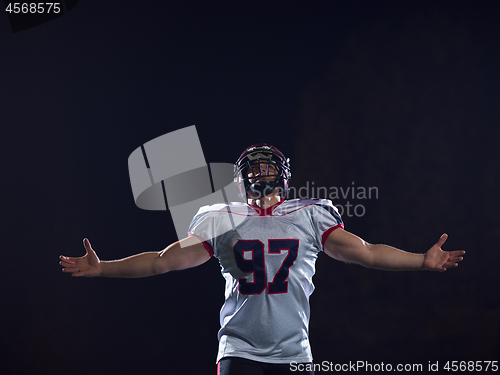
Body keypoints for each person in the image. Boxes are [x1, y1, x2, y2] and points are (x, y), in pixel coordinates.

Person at [60, 144, 465, 375]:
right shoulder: (220, 218)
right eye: (254, 168)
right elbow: (162, 261)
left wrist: (420, 261)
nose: (261, 173)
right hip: (239, 349)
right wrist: (104, 267)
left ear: (284, 176)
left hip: (294, 352)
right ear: (239, 180)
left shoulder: (309, 214)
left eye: (269, 166)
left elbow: (366, 253)